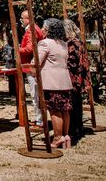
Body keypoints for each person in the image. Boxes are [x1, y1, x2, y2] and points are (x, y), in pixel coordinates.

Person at [39, 18, 73, 149]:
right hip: (64, 80)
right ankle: (65, 135)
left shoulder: (45, 43)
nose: (42, 30)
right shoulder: (63, 44)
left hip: (51, 82)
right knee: (64, 110)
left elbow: (37, 61)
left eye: (43, 27)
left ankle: (57, 137)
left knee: (54, 110)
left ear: (48, 30)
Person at [65, 19, 91, 145]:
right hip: (79, 77)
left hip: (73, 77)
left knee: (73, 104)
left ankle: (74, 130)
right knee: (77, 102)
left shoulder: (71, 43)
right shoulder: (79, 41)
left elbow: (72, 62)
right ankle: (78, 127)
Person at [19, 10, 44, 127]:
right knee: (36, 94)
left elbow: (30, 48)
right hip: (33, 65)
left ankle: (39, 120)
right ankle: (39, 118)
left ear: (27, 19)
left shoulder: (31, 30)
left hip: (31, 66)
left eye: (22, 18)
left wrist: (18, 49)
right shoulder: (34, 28)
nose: (21, 21)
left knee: (35, 94)